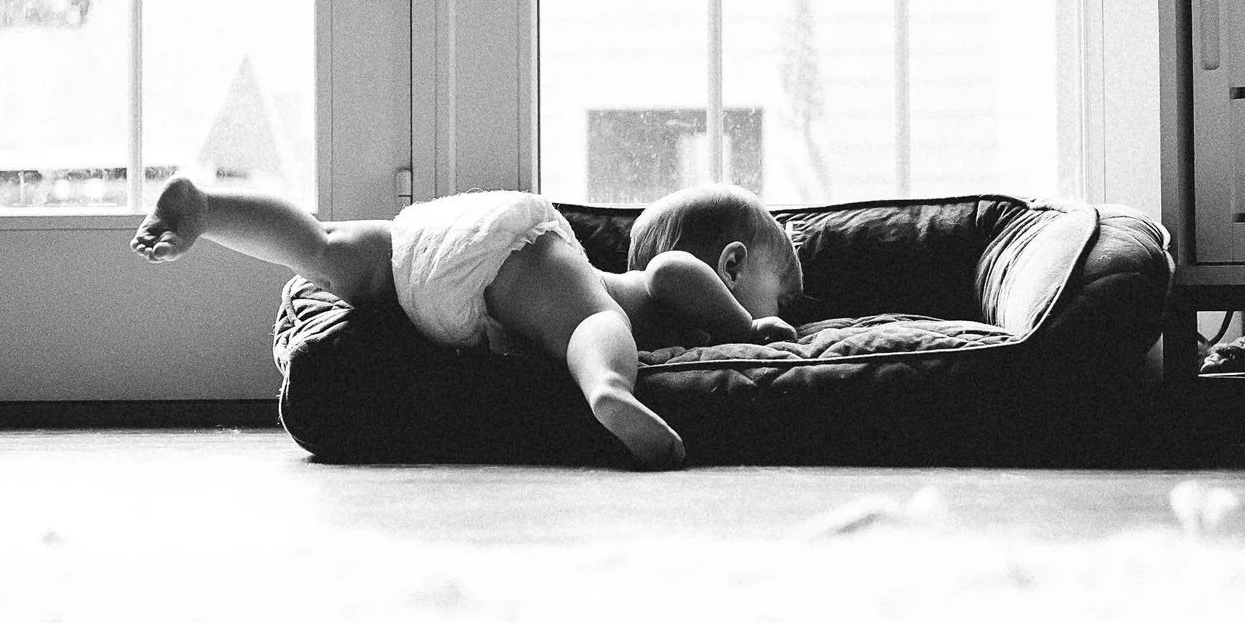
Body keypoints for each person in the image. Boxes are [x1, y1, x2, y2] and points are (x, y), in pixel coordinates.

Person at [131, 178, 803, 469]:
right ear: (734, 263)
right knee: (596, 324)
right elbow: (676, 272)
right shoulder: (650, 282)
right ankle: (607, 388)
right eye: (783, 298)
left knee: (327, 250)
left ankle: (207, 209)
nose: (788, 320)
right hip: (520, 242)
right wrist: (746, 324)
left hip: (431, 258)